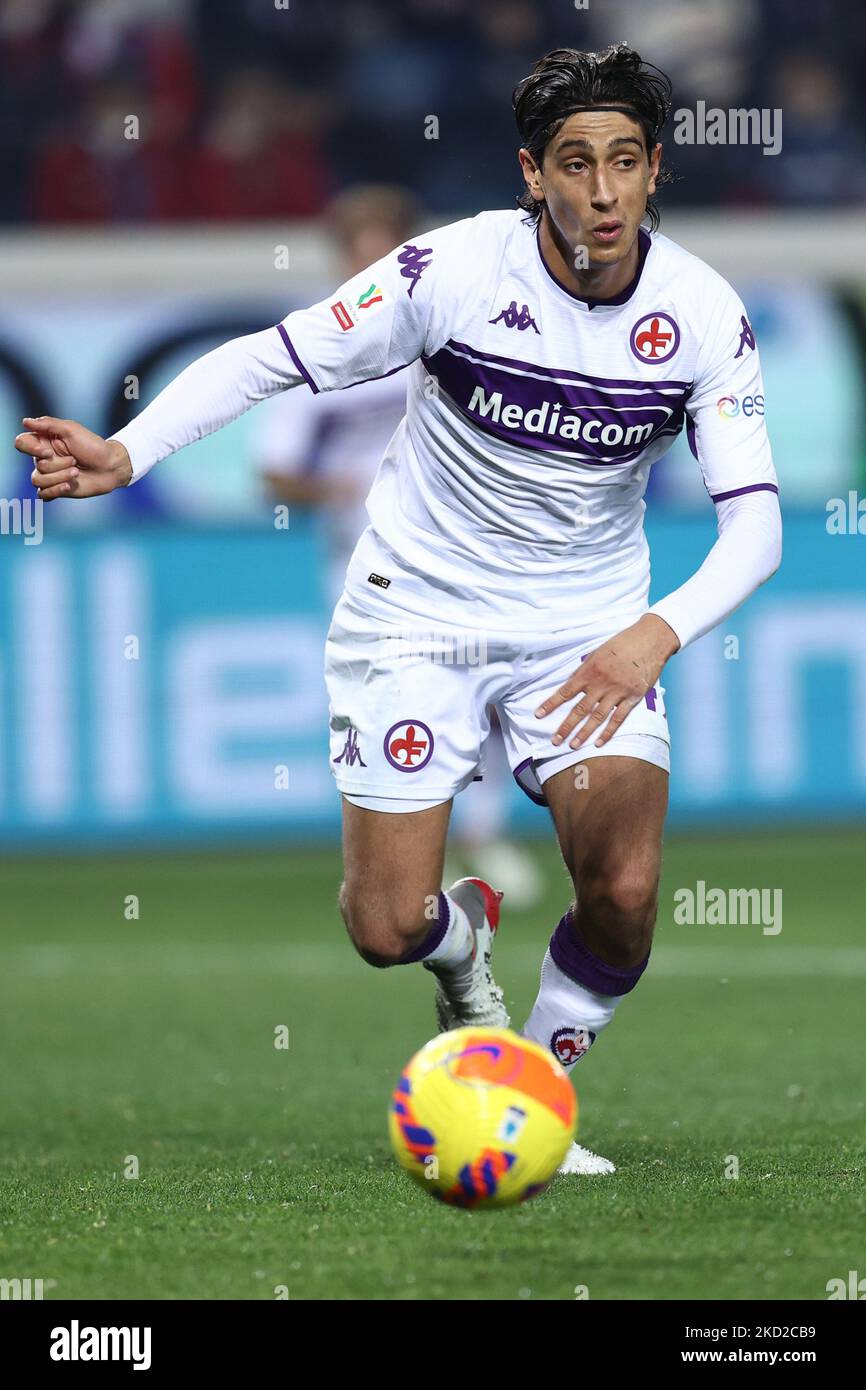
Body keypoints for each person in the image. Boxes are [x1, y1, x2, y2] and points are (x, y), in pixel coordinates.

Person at [16, 44, 782, 1180]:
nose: (604, 191)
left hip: (585, 629)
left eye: (625, 160)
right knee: (384, 925)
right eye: (576, 164)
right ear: (533, 174)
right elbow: (267, 360)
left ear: (655, 168)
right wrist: (128, 450)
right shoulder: (447, 272)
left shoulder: (703, 317)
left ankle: (533, 1081)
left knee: (620, 890)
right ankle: (460, 951)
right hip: (414, 611)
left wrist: (650, 633)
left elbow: (754, 529)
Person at [256, 183, 544, 906]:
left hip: (470, 550)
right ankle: (409, 852)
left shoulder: (454, 328)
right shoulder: (322, 349)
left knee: (489, 695)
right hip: (364, 564)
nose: (373, 265)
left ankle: (482, 841)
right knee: (395, 705)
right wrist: (344, 489)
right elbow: (275, 472)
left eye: (385, 249)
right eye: (359, 252)